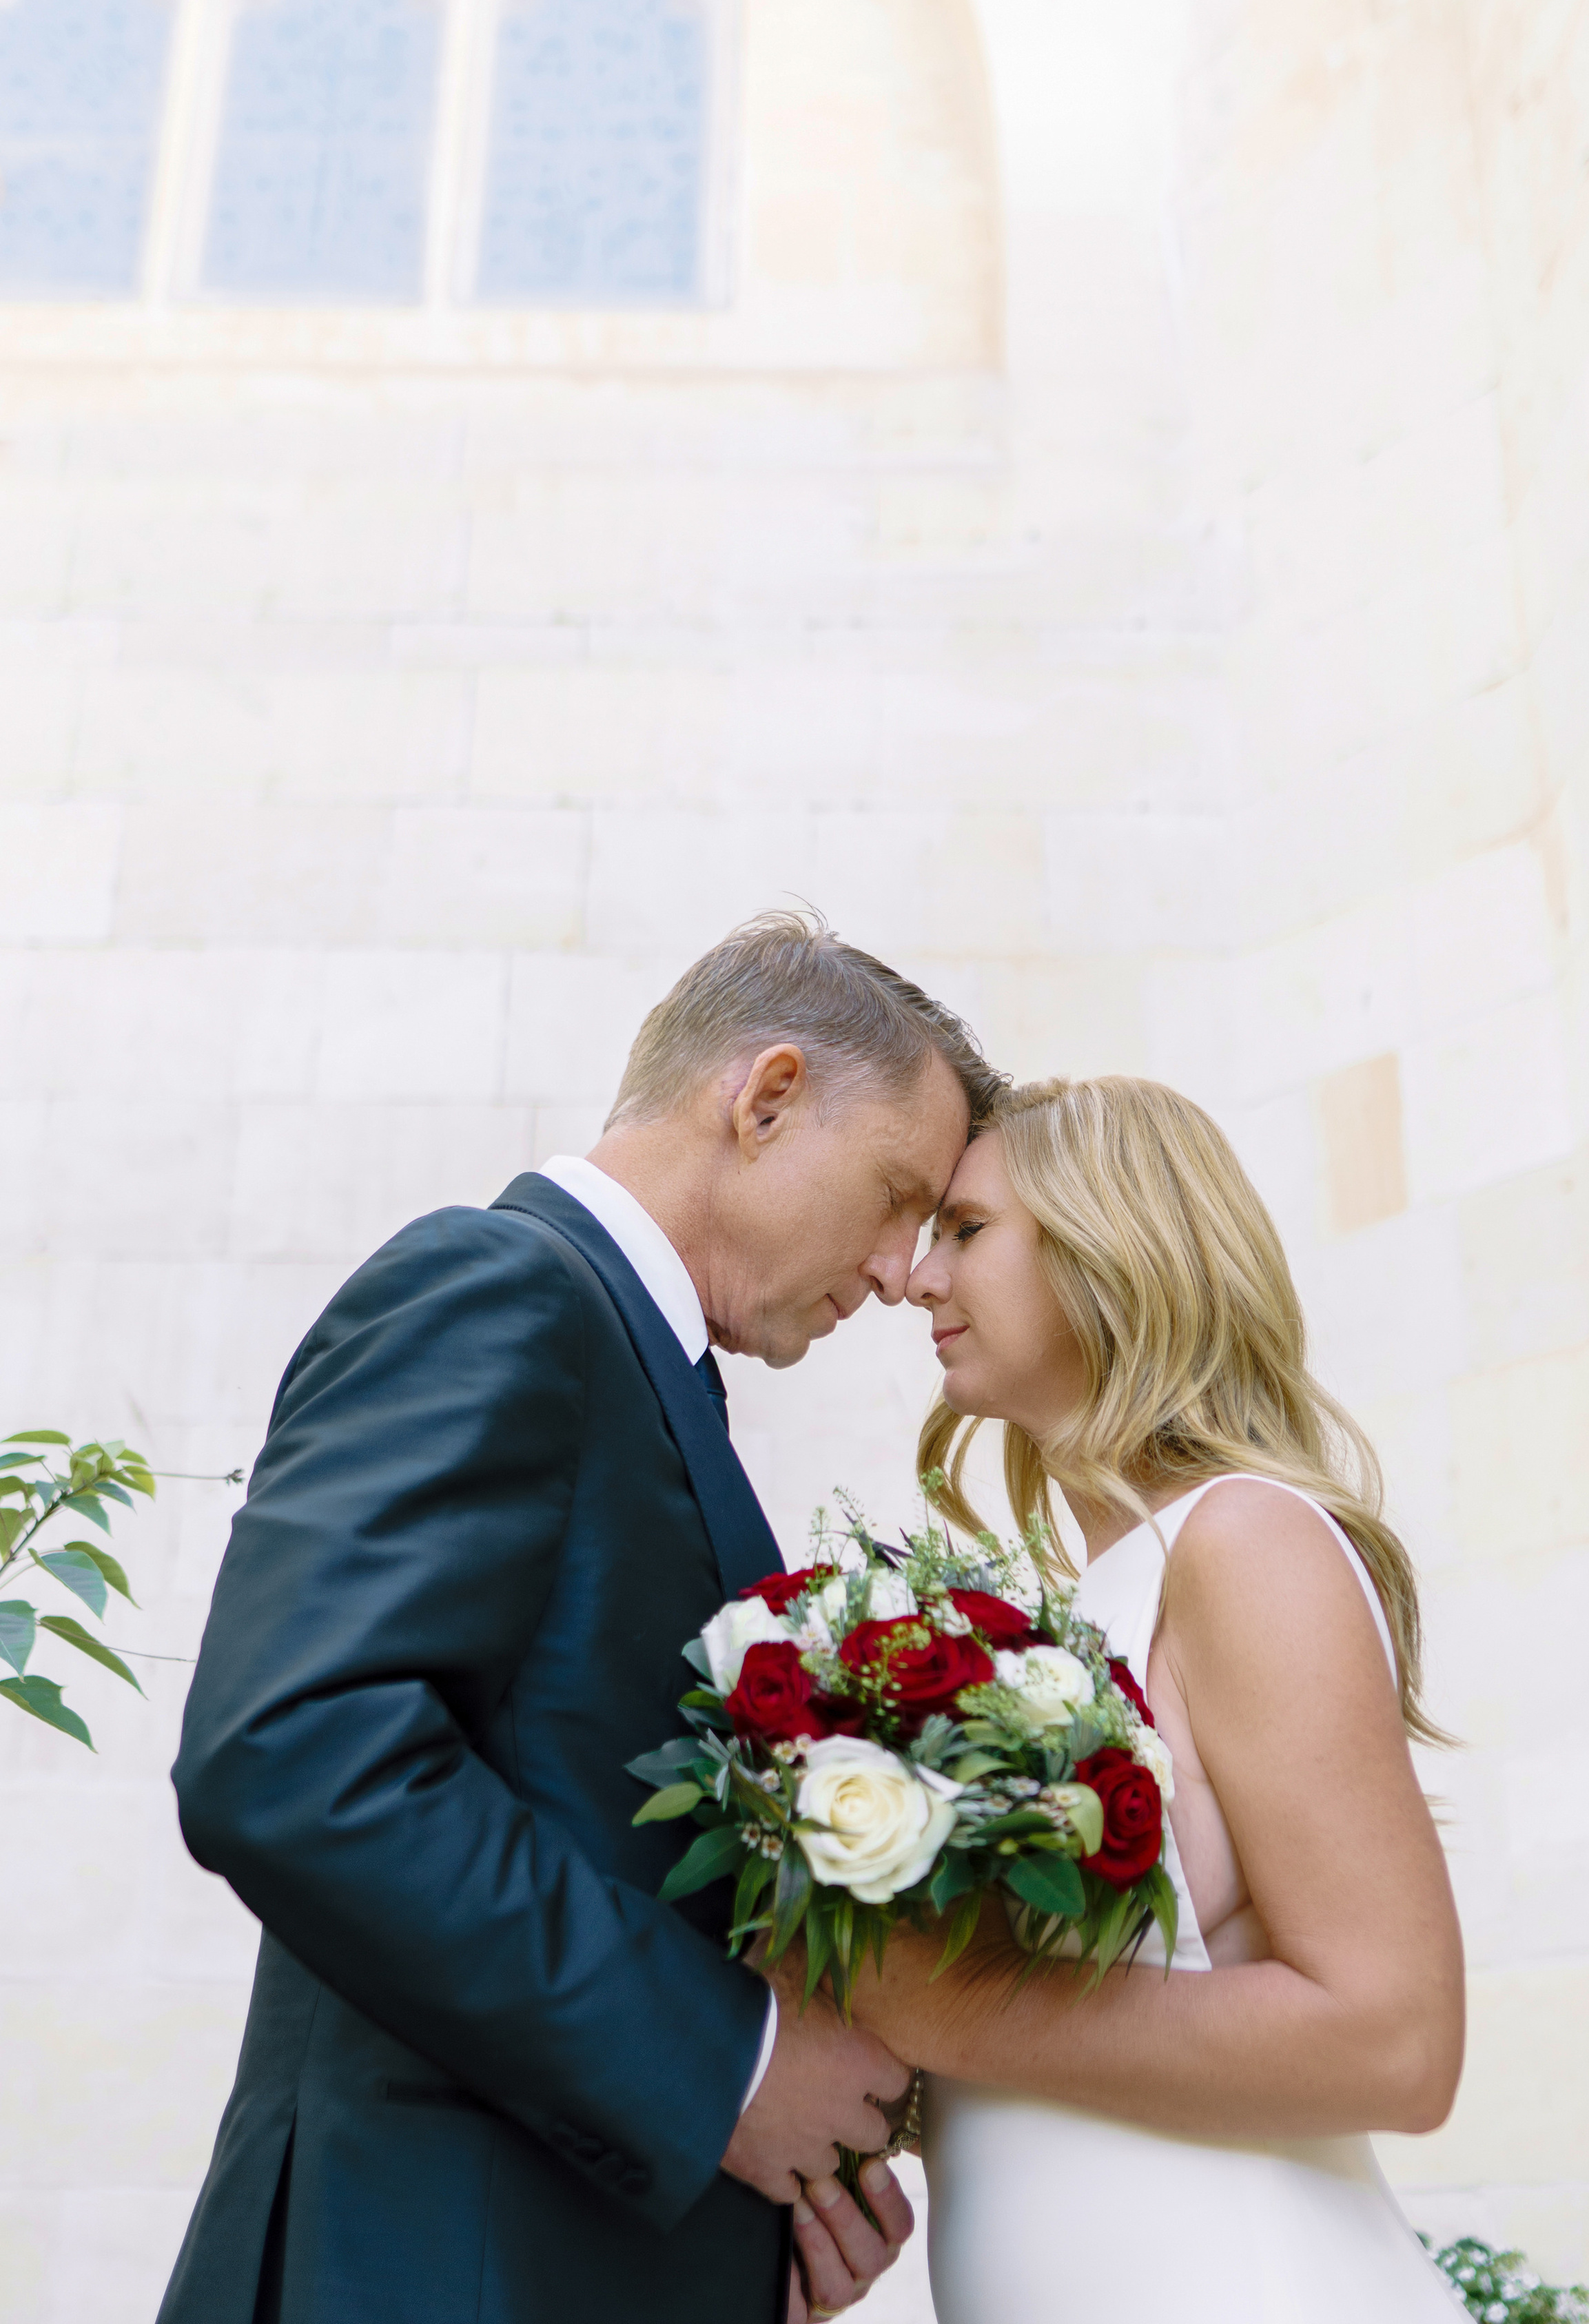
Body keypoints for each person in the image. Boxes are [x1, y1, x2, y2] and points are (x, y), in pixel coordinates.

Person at [156, 914, 1000, 2324]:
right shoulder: (497, 1288)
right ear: (766, 1097)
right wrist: (725, 2075)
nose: (906, 1268)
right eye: (898, 1196)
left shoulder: (640, 1365)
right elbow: (294, 1756)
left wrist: (751, 2223)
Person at [833, 1075, 1466, 2320]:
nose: (916, 1278)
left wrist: (953, 2015)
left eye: (966, 1230)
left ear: (1107, 1250)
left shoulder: (1244, 1542)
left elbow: (1398, 2040)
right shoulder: (1090, 1606)